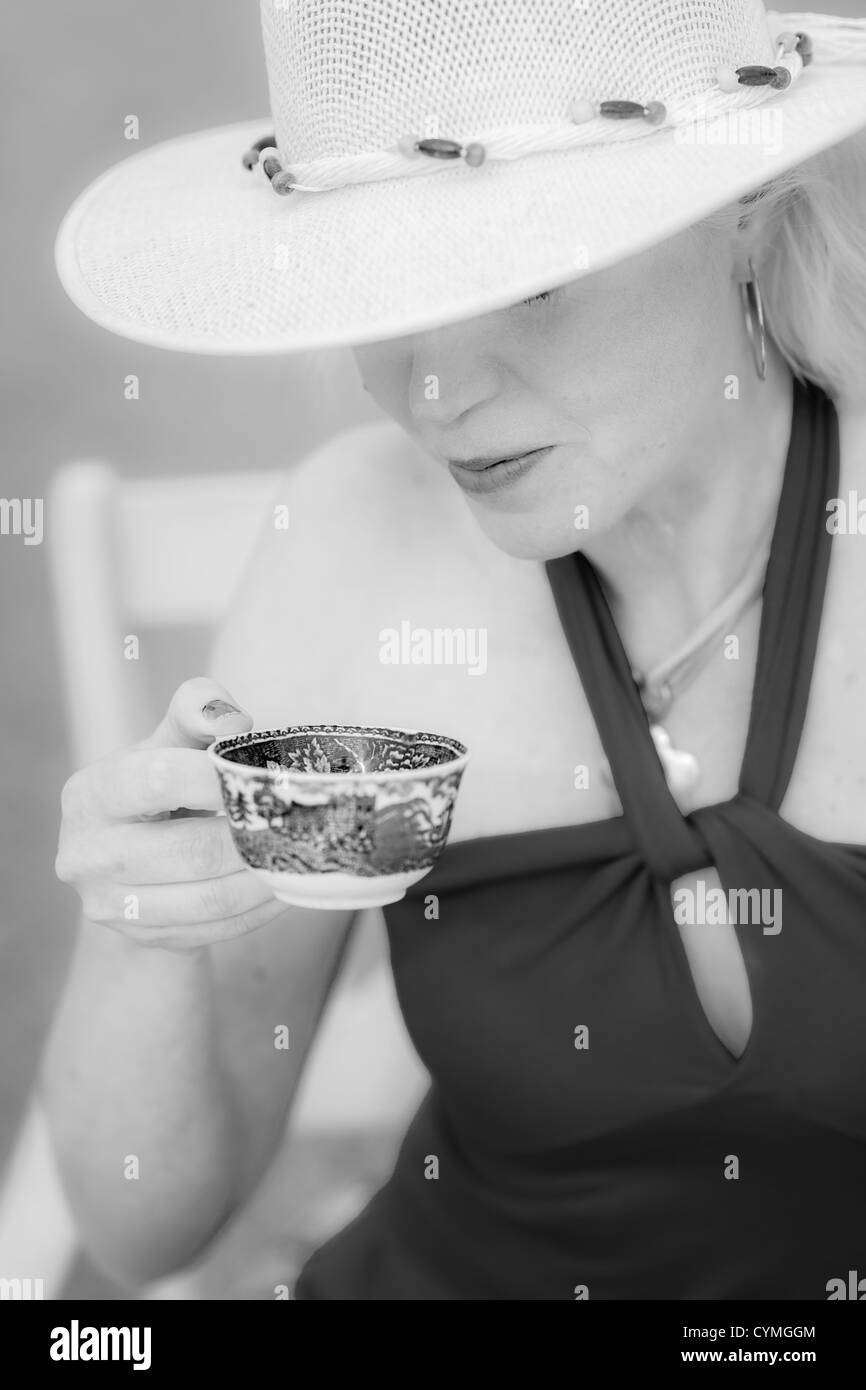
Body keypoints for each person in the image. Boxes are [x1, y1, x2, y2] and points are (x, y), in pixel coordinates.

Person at [46, 1, 866, 1298]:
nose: (430, 395)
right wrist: (137, 919)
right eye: (384, 291)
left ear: (746, 203)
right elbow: (150, 1226)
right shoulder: (356, 537)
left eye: (527, 277)